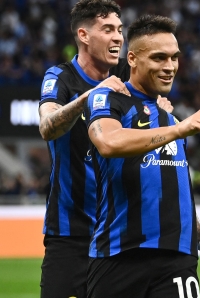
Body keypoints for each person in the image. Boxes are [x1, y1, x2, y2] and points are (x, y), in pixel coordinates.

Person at [84, 15, 200, 297]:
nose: (170, 67)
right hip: (118, 257)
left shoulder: (171, 119)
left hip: (177, 261)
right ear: (133, 58)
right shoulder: (109, 100)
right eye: (160, 58)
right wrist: (178, 130)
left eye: (174, 58)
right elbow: (108, 142)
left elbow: (175, 197)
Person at [38, 1, 130, 297]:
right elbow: (47, 126)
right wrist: (89, 98)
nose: (118, 37)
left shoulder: (127, 83)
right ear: (84, 35)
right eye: (108, 30)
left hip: (118, 233)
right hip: (69, 234)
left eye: (119, 29)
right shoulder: (61, 77)